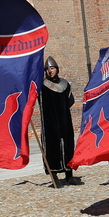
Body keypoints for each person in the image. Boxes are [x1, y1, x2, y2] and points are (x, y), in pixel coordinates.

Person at [39, 56, 80, 186]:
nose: (50, 71)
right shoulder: (42, 86)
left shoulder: (65, 84)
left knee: (68, 146)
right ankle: (54, 177)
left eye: (52, 68)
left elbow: (70, 100)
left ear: (57, 69)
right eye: (47, 69)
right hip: (50, 121)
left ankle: (69, 176)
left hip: (64, 119)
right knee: (52, 148)